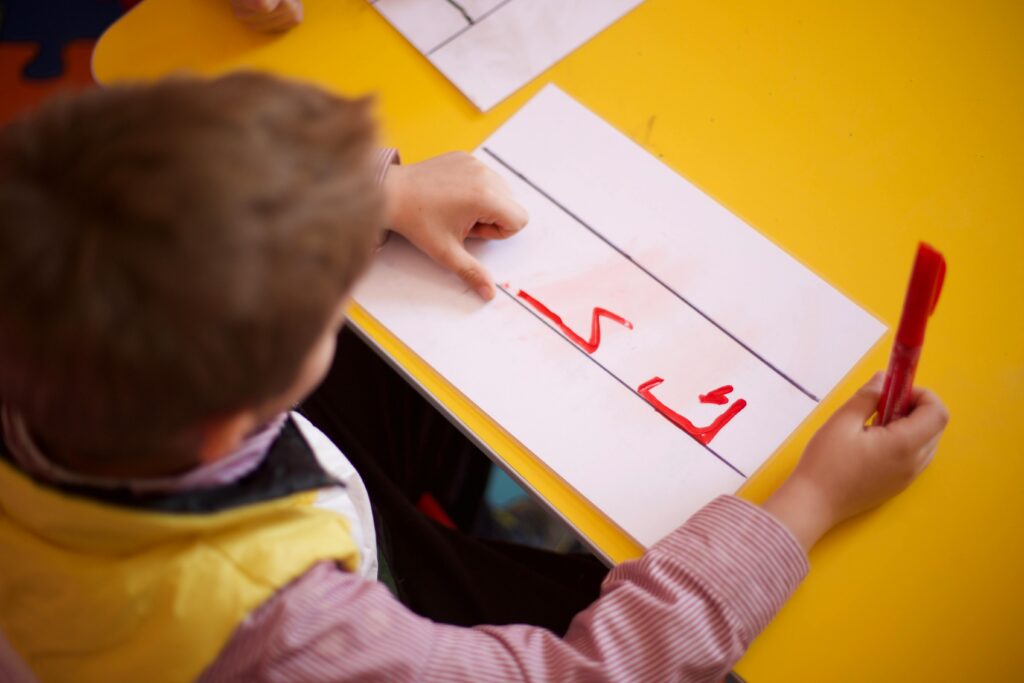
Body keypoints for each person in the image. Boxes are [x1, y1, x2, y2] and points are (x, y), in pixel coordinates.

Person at [0, 73, 949, 683]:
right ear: (235, 412)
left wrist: (383, 195)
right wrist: (808, 503)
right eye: (324, 284)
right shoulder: (295, 642)